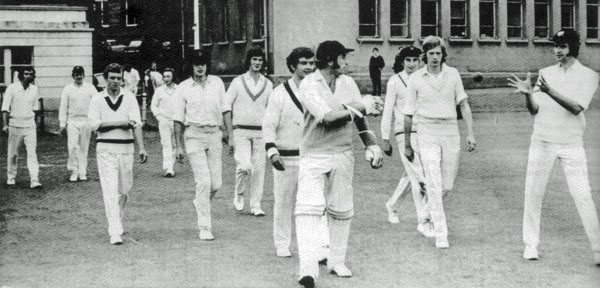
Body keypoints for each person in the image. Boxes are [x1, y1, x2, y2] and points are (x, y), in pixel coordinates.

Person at [294, 40, 384, 288]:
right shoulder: (309, 84)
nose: (347, 62)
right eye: (344, 57)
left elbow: (360, 119)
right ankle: (308, 270)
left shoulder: (348, 83)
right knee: (308, 210)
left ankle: (336, 261)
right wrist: (360, 105)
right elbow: (330, 119)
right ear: (331, 60)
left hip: (343, 154)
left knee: (341, 210)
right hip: (314, 154)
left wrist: (371, 144)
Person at [508, 29, 600, 265]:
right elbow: (535, 110)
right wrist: (529, 95)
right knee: (533, 193)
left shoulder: (589, 76)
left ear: (573, 47)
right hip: (542, 141)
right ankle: (530, 245)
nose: (557, 50)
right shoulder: (545, 73)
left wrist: (550, 91)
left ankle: (598, 249)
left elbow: (577, 107)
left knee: (582, 195)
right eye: (555, 46)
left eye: (562, 46)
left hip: (571, 143)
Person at [403, 36, 476, 249]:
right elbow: (408, 114)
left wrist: (470, 133)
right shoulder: (415, 78)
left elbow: (463, 105)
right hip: (426, 133)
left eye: (438, 53)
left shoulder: (452, 74)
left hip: (450, 132)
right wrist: (407, 144)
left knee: (447, 185)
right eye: (431, 53)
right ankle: (441, 232)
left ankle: (425, 212)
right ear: (424, 55)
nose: (435, 57)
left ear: (443, 54)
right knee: (433, 181)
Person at [262, 47, 330, 259]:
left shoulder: (321, 91)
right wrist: (271, 150)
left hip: (312, 156)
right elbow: (268, 124)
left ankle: (320, 248)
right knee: (284, 202)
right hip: (286, 158)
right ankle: (282, 243)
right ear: (292, 66)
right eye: (303, 63)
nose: (309, 67)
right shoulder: (279, 93)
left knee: (316, 204)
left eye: (311, 63)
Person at [173, 51, 231, 241]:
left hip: (214, 134)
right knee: (204, 182)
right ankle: (204, 226)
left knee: (216, 184)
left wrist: (230, 136)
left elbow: (226, 109)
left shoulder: (217, 83)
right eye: (196, 63)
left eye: (203, 63)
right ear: (191, 66)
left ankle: (200, 202)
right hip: (194, 136)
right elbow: (178, 120)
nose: (200, 67)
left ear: (207, 65)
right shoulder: (183, 87)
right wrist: (178, 147)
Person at [88, 63, 148, 245]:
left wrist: (142, 147)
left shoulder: (129, 97)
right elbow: (94, 125)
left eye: (118, 78)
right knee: (110, 190)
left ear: (123, 79)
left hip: (126, 149)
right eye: (112, 78)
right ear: (106, 79)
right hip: (106, 149)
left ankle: (117, 219)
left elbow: (136, 124)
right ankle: (114, 230)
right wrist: (119, 123)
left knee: (124, 190)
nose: (115, 81)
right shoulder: (97, 99)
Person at [380, 46, 432, 236]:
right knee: (419, 177)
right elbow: (387, 110)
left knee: (412, 174)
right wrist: (385, 138)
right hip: (403, 133)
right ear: (402, 61)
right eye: (408, 60)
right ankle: (423, 222)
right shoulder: (395, 81)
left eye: (415, 60)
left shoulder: (423, 79)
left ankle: (392, 205)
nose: (412, 64)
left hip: (424, 131)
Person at [225, 46, 273, 216]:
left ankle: (256, 205)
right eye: (254, 59)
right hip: (241, 131)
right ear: (249, 61)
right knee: (244, 165)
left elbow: (272, 110)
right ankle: (239, 193)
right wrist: (230, 134)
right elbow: (226, 106)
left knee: (259, 169)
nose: (257, 63)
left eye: (260, 60)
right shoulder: (238, 82)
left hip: (260, 133)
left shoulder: (268, 84)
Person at [1, 66, 42, 188]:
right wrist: (5, 124)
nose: (28, 76)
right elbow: (5, 108)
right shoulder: (12, 88)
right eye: (26, 74)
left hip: (29, 125)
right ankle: (11, 177)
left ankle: (34, 180)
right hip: (15, 124)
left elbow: (36, 109)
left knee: (32, 153)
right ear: (21, 75)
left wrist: (37, 124)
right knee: (13, 153)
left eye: (30, 74)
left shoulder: (34, 89)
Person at [58, 66, 97, 182]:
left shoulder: (90, 88)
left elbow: (96, 105)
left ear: (84, 75)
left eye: (80, 74)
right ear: (73, 76)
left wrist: (95, 123)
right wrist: (62, 123)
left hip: (86, 121)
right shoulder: (68, 89)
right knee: (72, 146)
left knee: (84, 147)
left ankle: (82, 171)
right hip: (72, 121)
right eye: (76, 74)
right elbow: (63, 107)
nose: (78, 76)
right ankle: (74, 171)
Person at [151, 68, 178, 177]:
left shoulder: (179, 89)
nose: (166, 79)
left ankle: (171, 164)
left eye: (168, 76)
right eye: (164, 77)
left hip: (176, 121)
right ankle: (169, 168)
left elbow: (184, 103)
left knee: (174, 144)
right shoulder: (159, 90)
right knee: (166, 144)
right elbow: (153, 105)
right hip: (164, 120)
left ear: (173, 77)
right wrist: (158, 116)